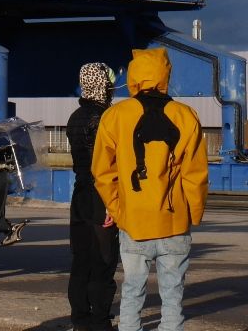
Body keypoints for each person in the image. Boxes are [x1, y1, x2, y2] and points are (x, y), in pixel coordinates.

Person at [92, 47, 208, 331]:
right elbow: (195, 174)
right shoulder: (185, 115)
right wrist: (194, 214)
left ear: (133, 77)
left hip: (134, 220)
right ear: (165, 75)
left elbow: (102, 172)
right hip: (174, 221)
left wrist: (119, 210)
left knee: (132, 292)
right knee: (173, 296)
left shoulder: (115, 115)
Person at [67, 62, 120, 331]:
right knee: (103, 260)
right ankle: (99, 321)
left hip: (80, 195)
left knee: (81, 260)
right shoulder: (106, 118)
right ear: (104, 85)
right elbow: (107, 165)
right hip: (101, 196)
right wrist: (112, 203)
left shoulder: (74, 117)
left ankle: (80, 319)